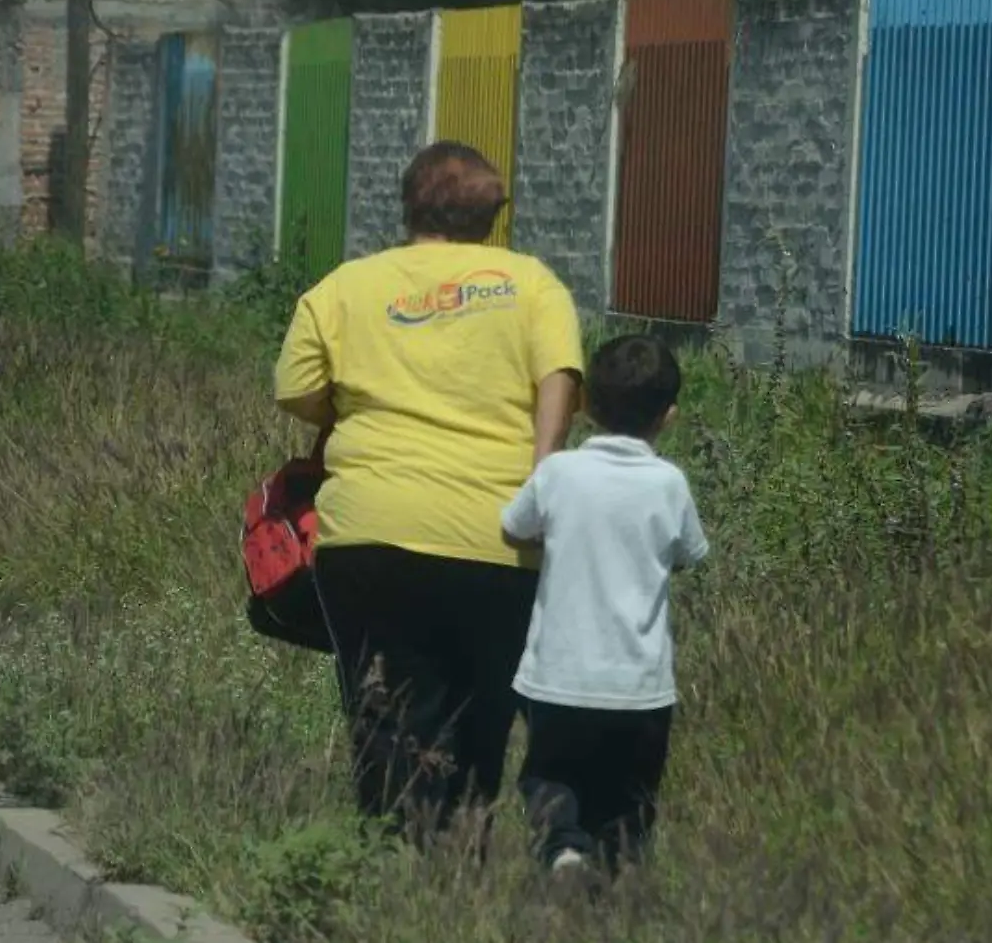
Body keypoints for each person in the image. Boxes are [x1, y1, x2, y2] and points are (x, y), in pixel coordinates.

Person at [273, 140, 584, 845]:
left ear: (409, 206)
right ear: (492, 215)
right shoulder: (532, 285)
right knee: (482, 715)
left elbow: (293, 388)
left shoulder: (345, 287)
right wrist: (542, 474)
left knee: (385, 709)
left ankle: (391, 860)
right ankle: (458, 863)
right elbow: (559, 377)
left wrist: (352, 409)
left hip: (369, 537)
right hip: (498, 536)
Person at [499, 334, 710, 878]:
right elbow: (691, 553)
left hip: (558, 679)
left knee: (550, 775)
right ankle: (620, 883)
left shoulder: (558, 474)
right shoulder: (670, 484)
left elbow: (513, 527)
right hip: (640, 689)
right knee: (628, 800)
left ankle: (564, 849)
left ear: (585, 404)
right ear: (669, 417)